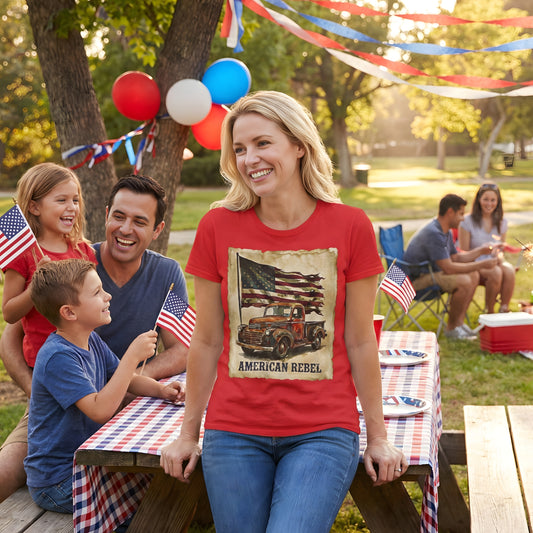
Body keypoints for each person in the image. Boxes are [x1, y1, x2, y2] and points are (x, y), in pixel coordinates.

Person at [160, 91, 405, 533]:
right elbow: (208, 339)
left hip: (323, 429)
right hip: (232, 429)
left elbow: (360, 339)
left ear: (298, 145)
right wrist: (187, 433)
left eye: (262, 143)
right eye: (238, 148)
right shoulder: (217, 226)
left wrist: (379, 437)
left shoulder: (350, 226)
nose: (249, 158)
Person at [0, 174, 189, 502]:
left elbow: (183, 348)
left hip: (124, 394)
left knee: (163, 478)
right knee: (8, 470)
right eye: (119, 216)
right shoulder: (72, 266)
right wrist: (38, 389)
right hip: (66, 400)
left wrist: (135, 380)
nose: (126, 229)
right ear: (106, 215)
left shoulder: (168, 273)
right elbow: (11, 333)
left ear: (157, 230)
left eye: (140, 221)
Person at [24, 258, 184, 513]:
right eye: (97, 292)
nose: (108, 296)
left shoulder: (91, 340)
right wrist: (132, 356)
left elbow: (125, 377)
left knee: (157, 486)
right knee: (145, 502)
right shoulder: (58, 357)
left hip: (87, 462)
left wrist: (160, 390)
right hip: (58, 480)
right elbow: (100, 410)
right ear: (69, 312)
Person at [403, 194, 498, 340]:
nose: (463, 218)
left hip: (431, 272)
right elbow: (449, 268)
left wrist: (481, 251)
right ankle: (452, 329)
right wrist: (482, 264)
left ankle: (458, 324)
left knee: (474, 275)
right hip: (415, 281)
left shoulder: (443, 229)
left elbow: (456, 257)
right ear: (450, 212)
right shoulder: (434, 233)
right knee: (464, 281)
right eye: (460, 213)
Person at [458, 182, 515, 313]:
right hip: (474, 263)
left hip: (493, 261)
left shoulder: (502, 222)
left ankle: (504, 310)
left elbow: (501, 249)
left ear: (498, 202)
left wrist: (499, 256)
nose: (489, 204)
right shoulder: (467, 221)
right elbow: (464, 252)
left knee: (509, 270)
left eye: (493, 200)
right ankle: (490, 312)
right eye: (485, 199)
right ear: (479, 200)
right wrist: (481, 252)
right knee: (496, 272)